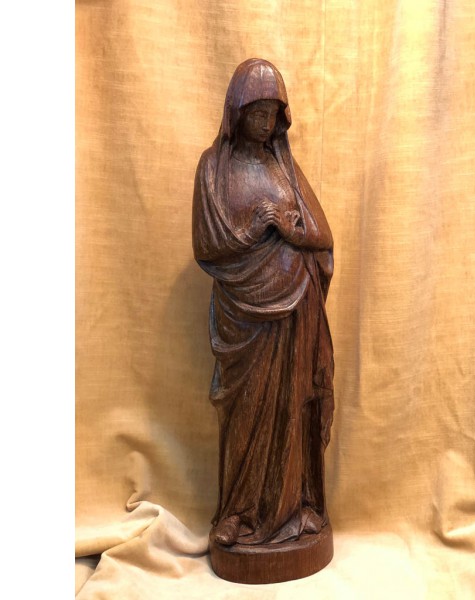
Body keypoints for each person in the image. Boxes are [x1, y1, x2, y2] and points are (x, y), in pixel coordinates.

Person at [192, 58, 334, 546]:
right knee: (245, 412)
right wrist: (252, 230)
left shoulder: (284, 167)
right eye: (256, 112)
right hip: (243, 315)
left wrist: (292, 231)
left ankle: (292, 506)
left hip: (296, 309)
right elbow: (205, 245)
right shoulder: (213, 169)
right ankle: (237, 511)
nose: (265, 122)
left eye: (273, 113)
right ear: (236, 111)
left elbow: (322, 234)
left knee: (289, 409)